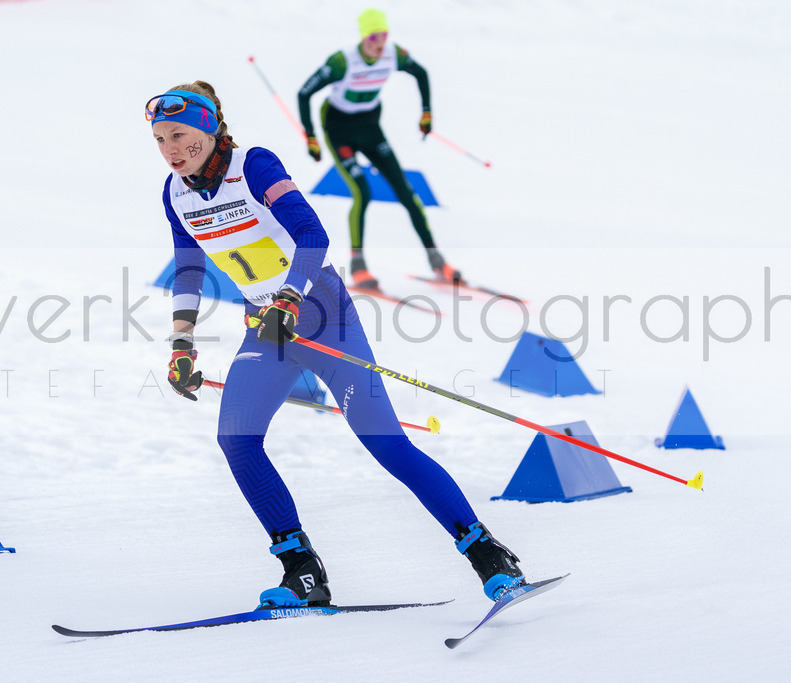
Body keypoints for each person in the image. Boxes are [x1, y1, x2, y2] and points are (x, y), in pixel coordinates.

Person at [147, 80, 524, 608]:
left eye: (179, 135)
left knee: (386, 444)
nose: (169, 150)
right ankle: (301, 570)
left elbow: (313, 234)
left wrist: (289, 298)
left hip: (320, 312)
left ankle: (488, 554)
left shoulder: (254, 165)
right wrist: (181, 345)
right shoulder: (175, 194)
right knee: (236, 437)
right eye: (159, 139)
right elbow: (188, 268)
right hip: (268, 326)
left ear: (208, 128)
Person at [297, 7, 459, 291]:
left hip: (370, 129)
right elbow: (304, 93)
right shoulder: (342, 61)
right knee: (363, 191)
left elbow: (421, 73)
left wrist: (426, 113)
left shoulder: (393, 54)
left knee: (406, 192)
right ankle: (358, 266)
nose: (379, 43)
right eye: (373, 37)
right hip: (339, 131)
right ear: (363, 37)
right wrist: (310, 136)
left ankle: (437, 261)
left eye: (383, 35)